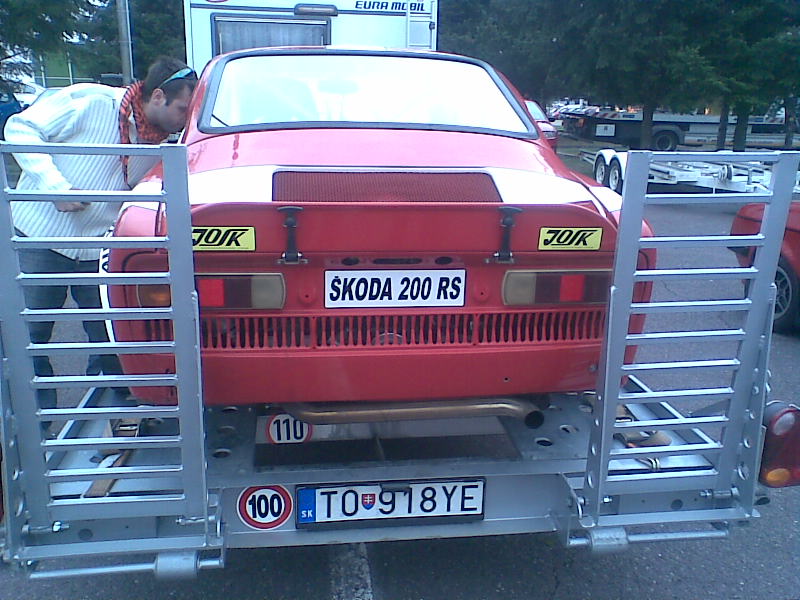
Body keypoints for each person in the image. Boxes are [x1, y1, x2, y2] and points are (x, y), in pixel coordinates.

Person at [4, 56, 197, 415]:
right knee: (27, 337)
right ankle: (35, 425)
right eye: (182, 109)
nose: (185, 120)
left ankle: (113, 417)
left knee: (112, 337)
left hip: (98, 247)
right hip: (37, 238)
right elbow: (20, 128)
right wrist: (54, 186)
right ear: (158, 96)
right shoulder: (92, 101)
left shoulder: (164, 144)